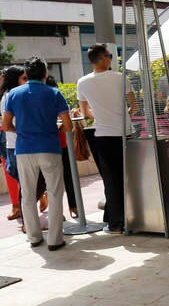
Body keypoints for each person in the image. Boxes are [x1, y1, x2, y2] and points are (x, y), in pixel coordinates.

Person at [2, 57, 72, 250]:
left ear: (27, 74)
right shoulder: (54, 93)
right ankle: (55, 240)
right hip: (49, 148)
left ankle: (34, 237)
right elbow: (68, 125)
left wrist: (23, 132)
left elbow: (6, 125)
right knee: (55, 193)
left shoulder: (14, 94)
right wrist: (54, 127)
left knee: (27, 194)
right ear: (45, 73)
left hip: (24, 150)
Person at [77, 44, 138, 234]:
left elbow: (84, 112)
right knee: (132, 177)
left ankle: (116, 224)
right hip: (126, 133)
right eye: (110, 55)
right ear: (104, 58)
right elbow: (134, 106)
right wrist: (122, 115)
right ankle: (138, 217)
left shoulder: (82, 82)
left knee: (111, 180)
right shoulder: (120, 78)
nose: (112, 59)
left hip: (103, 135)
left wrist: (102, 116)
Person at [46, 75, 78, 218]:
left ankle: (73, 207)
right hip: (55, 145)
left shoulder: (53, 99)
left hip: (59, 145)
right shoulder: (52, 98)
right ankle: (70, 209)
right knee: (59, 180)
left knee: (64, 178)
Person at [0, 66, 24, 221]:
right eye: (24, 78)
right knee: (14, 174)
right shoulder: (8, 96)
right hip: (9, 139)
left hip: (13, 138)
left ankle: (20, 208)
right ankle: (19, 208)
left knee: (24, 179)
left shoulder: (14, 94)